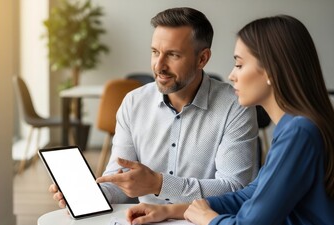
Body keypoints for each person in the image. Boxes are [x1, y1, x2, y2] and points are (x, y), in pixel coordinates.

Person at [126, 15, 334, 225]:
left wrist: (206, 217)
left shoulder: (299, 133)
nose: (231, 75)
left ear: (271, 72)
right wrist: (170, 210)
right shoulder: (294, 127)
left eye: (239, 64)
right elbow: (251, 196)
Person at [50, 7, 259, 207]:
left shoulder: (235, 106)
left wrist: (159, 184)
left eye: (173, 55)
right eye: (155, 52)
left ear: (202, 58)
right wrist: (90, 195)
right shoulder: (133, 103)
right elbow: (120, 182)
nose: (159, 65)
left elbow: (235, 189)